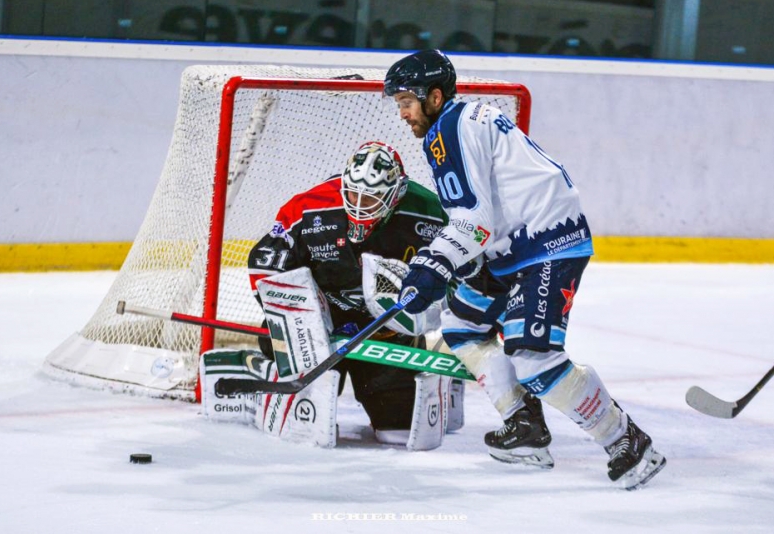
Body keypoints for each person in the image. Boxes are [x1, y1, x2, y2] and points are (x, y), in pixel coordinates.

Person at [384, 49, 666, 489]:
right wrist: (447, 263)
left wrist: (432, 265)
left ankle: (626, 440)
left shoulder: (449, 131)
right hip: (513, 247)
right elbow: (484, 216)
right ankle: (524, 429)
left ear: (434, 96)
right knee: (461, 323)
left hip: (547, 244)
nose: (401, 113)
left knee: (533, 357)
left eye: (406, 101)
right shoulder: (461, 119)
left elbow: (472, 220)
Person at [247, 140, 454, 446]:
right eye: (353, 194)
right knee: (303, 432)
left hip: (385, 334)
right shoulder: (309, 206)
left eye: (370, 199)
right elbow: (263, 265)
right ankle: (267, 372)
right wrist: (300, 319)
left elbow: (462, 270)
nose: (359, 205)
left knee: (397, 430)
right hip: (315, 335)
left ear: (395, 195)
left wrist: (433, 307)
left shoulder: (431, 213)